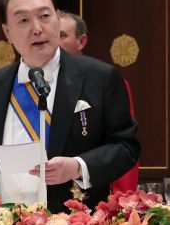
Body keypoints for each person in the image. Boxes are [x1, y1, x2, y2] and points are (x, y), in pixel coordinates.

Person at [0, 0, 140, 211]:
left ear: (57, 18)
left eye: (45, 16)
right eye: (23, 20)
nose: (37, 29)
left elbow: (126, 147)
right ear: (7, 32)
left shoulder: (99, 77)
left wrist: (78, 166)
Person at [57, 10, 140, 193]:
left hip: (91, 193)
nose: (55, 42)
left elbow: (122, 145)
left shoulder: (103, 81)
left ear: (81, 42)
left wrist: (120, 198)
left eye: (62, 35)